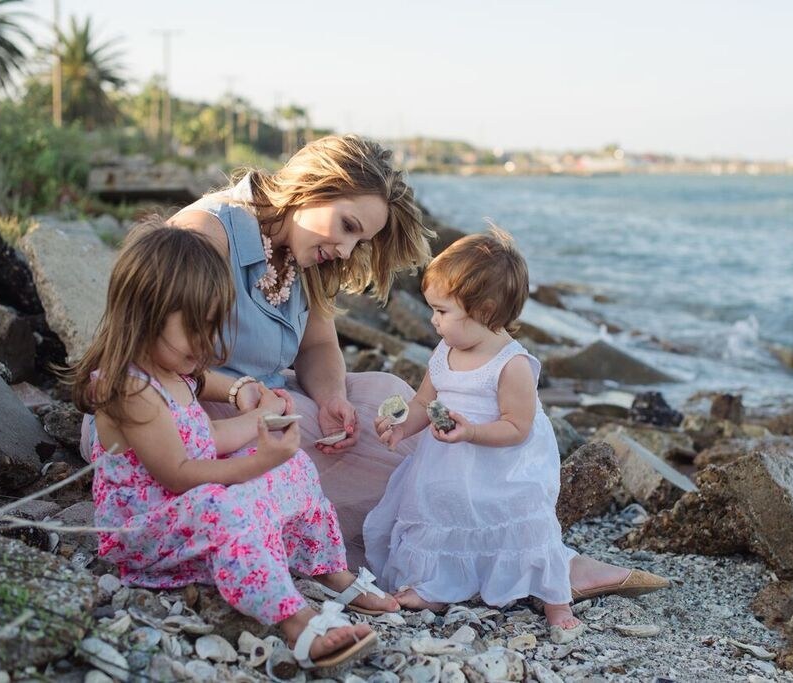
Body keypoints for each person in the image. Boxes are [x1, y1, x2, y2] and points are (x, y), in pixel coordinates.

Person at [156, 134, 665, 602]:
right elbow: (153, 360)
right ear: (312, 186)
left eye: (360, 241)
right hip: (190, 414)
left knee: (390, 398)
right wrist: (246, 390)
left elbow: (318, 348)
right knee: (404, 466)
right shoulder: (208, 234)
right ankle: (511, 567)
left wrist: (333, 397)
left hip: (268, 397)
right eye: (348, 227)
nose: (347, 250)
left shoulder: (305, 255)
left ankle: (528, 558)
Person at [69, 223, 386, 673]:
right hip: (146, 529)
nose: (208, 344)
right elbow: (178, 472)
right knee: (232, 507)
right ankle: (295, 620)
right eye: (196, 329)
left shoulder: (176, 373)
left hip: (189, 504)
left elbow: (205, 439)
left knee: (293, 467)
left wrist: (258, 420)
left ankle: (326, 566)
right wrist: (257, 461)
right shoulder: (129, 388)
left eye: (214, 327)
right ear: (146, 313)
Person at [363, 229, 665, 635]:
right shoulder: (444, 351)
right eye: (432, 310)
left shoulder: (511, 364)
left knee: (523, 524)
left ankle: (556, 600)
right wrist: (402, 429)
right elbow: (422, 403)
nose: (433, 321)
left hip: (504, 466)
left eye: (442, 311)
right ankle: (437, 584)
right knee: (441, 512)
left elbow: (517, 427)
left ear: (485, 311)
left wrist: (472, 433)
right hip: (448, 464)